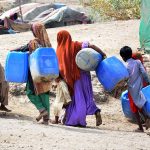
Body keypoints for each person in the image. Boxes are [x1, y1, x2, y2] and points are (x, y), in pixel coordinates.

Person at [56, 30, 106, 127]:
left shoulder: (59, 51)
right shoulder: (76, 45)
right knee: (87, 96)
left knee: (78, 99)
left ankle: (78, 120)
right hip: (84, 75)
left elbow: (59, 68)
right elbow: (92, 46)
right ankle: (95, 111)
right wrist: (102, 54)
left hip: (73, 79)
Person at [120, 46, 150, 132]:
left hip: (132, 90)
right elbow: (144, 73)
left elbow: (125, 79)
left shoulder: (125, 66)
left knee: (135, 108)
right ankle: (147, 119)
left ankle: (140, 127)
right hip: (140, 88)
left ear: (123, 57)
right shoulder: (137, 62)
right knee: (142, 104)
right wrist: (148, 81)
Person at [26, 22, 52, 124]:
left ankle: (42, 110)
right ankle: (46, 119)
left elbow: (27, 50)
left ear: (35, 31)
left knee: (30, 92)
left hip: (35, 72)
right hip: (47, 72)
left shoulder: (34, 42)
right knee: (44, 93)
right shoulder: (48, 43)